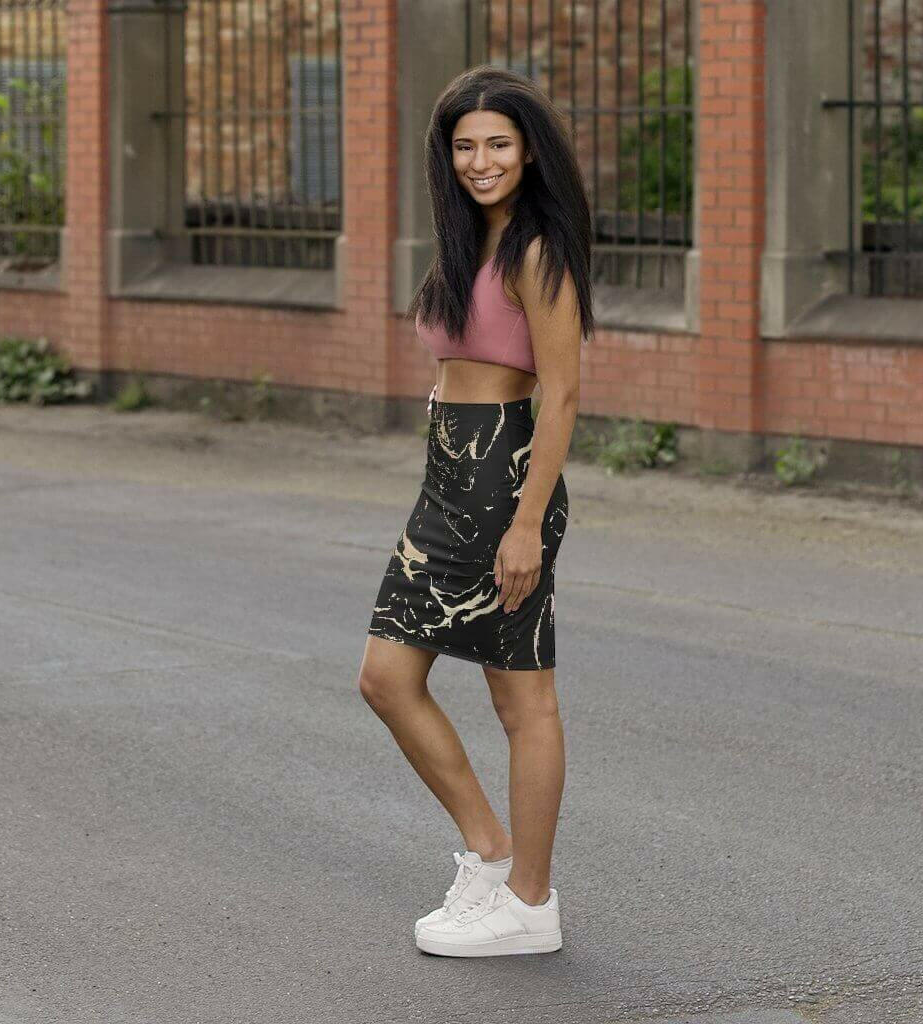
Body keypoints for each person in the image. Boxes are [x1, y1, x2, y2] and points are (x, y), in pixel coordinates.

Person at [358, 64, 594, 957]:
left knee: (522, 700)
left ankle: (529, 902)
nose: (480, 161)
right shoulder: (467, 245)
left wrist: (528, 522)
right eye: (464, 146)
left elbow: (564, 394)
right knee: (385, 677)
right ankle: (489, 853)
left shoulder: (537, 249)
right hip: (448, 484)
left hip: (506, 483)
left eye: (497, 143)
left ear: (529, 150)